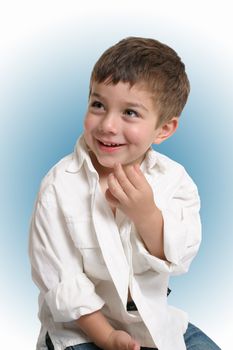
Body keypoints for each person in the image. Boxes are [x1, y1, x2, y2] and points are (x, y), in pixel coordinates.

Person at [29, 37, 221, 350]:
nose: (107, 124)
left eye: (130, 113)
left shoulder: (174, 181)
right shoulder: (59, 186)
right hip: (81, 329)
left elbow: (182, 256)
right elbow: (61, 279)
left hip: (151, 322)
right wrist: (107, 337)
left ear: (163, 129)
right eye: (98, 104)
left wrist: (147, 215)